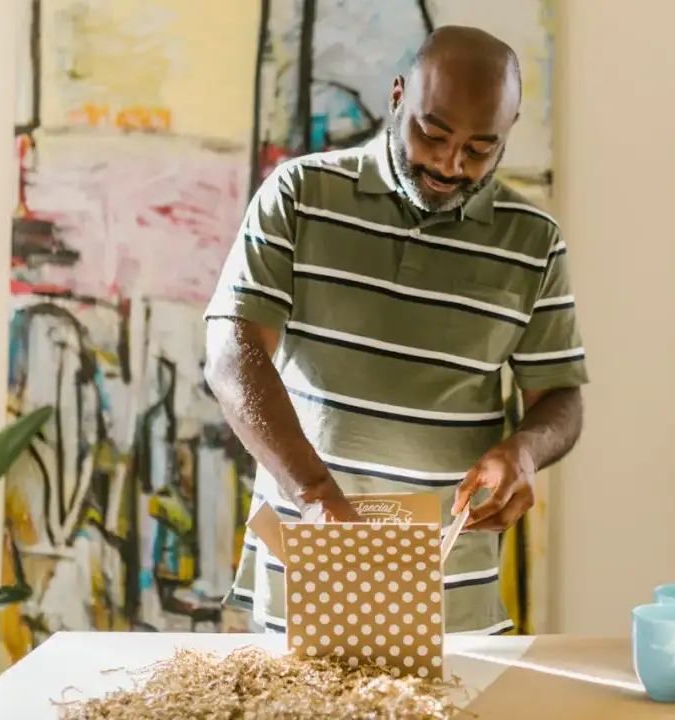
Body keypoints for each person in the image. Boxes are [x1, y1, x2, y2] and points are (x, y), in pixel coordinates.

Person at [203, 26, 588, 636]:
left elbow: (561, 397)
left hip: (451, 596)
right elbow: (232, 356)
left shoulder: (534, 242)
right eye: (432, 133)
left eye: (480, 149)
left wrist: (525, 450)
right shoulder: (299, 196)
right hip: (309, 568)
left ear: (506, 137)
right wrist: (313, 493)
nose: (449, 163)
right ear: (397, 97)